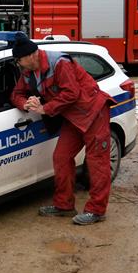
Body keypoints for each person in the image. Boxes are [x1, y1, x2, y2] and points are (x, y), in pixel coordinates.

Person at [9, 32, 115, 225]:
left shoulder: (59, 63)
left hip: (93, 112)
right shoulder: (28, 72)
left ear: (31, 55)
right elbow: (16, 93)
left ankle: (97, 210)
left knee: (97, 163)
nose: (18, 64)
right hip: (72, 117)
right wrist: (26, 104)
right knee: (61, 157)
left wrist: (44, 108)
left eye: (19, 60)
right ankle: (64, 205)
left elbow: (72, 93)